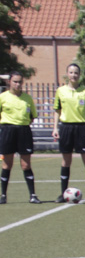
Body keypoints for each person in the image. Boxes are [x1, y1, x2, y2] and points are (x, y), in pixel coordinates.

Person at [52, 63, 85, 203]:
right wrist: (55, 127)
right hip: (66, 128)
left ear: (79, 74)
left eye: (76, 72)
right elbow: (57, 111)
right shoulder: (61, 91)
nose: (73, 75)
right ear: (67, 74)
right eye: (71, 72)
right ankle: (62, 194)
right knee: (66, 161)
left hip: (81, 128)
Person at [0, 71, 40, 204]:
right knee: (7, 164)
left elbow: (32, 117)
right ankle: (3, 195)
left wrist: (22, 125)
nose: (18, 84)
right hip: (7, 130)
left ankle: (33, 195)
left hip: (24, 131)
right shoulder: (3, 97)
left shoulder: (27, 98)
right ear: (9, 82)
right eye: (15, 81)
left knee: (26, 164)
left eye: (20, 82)